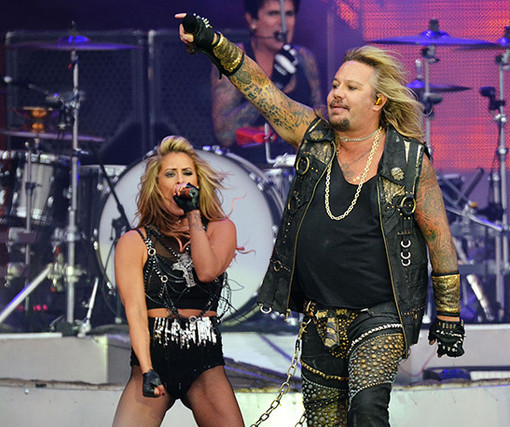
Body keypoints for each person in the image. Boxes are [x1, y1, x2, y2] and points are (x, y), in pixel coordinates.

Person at [176, 14, 465, 426]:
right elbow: (262, 90)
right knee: (325, 421)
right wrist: (213, 42)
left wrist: (449, 313)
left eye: (351, 88)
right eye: (334, 85)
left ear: (378, 102)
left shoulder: (410, 159)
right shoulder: (312, 136)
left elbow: (438, 236)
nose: (337, 94)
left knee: (367, 410)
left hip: (381, 313)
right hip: (320, 317)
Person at [112, 135, 244, 426]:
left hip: (205, 362)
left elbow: (206, 271)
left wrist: (193, 212)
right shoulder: (134, 241)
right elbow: (135, 312)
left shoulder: (221, 229)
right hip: (155, 358)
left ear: (198, 182)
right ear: (157, 185)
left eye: (187, 173)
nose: (180, 180)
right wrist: (147, 369)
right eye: (171, 174)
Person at [210, 0, 322, 165]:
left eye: (289, 14)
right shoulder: (232, 59)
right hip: (251, 170)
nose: (282, 23)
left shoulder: (304, 58)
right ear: (252, 20)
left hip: (298, 167)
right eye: (273, 13)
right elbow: (224, 134)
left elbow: (320, 121)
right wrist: (273, 86)